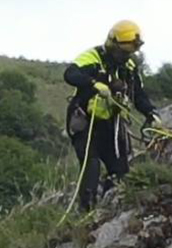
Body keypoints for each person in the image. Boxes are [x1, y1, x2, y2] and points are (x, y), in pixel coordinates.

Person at [63, 20, 161, 211]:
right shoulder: (93, 57)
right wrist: (93, 83)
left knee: (120, 171)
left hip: (112, 125)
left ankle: (109, 208)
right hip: (86, 123)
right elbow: (70, 74)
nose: (125, 56)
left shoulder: (130, 67)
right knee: (91, 168)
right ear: (113, 44)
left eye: (129, 53)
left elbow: (138, 94)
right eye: (123, 52)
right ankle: (86, 212)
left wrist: (151, 113)